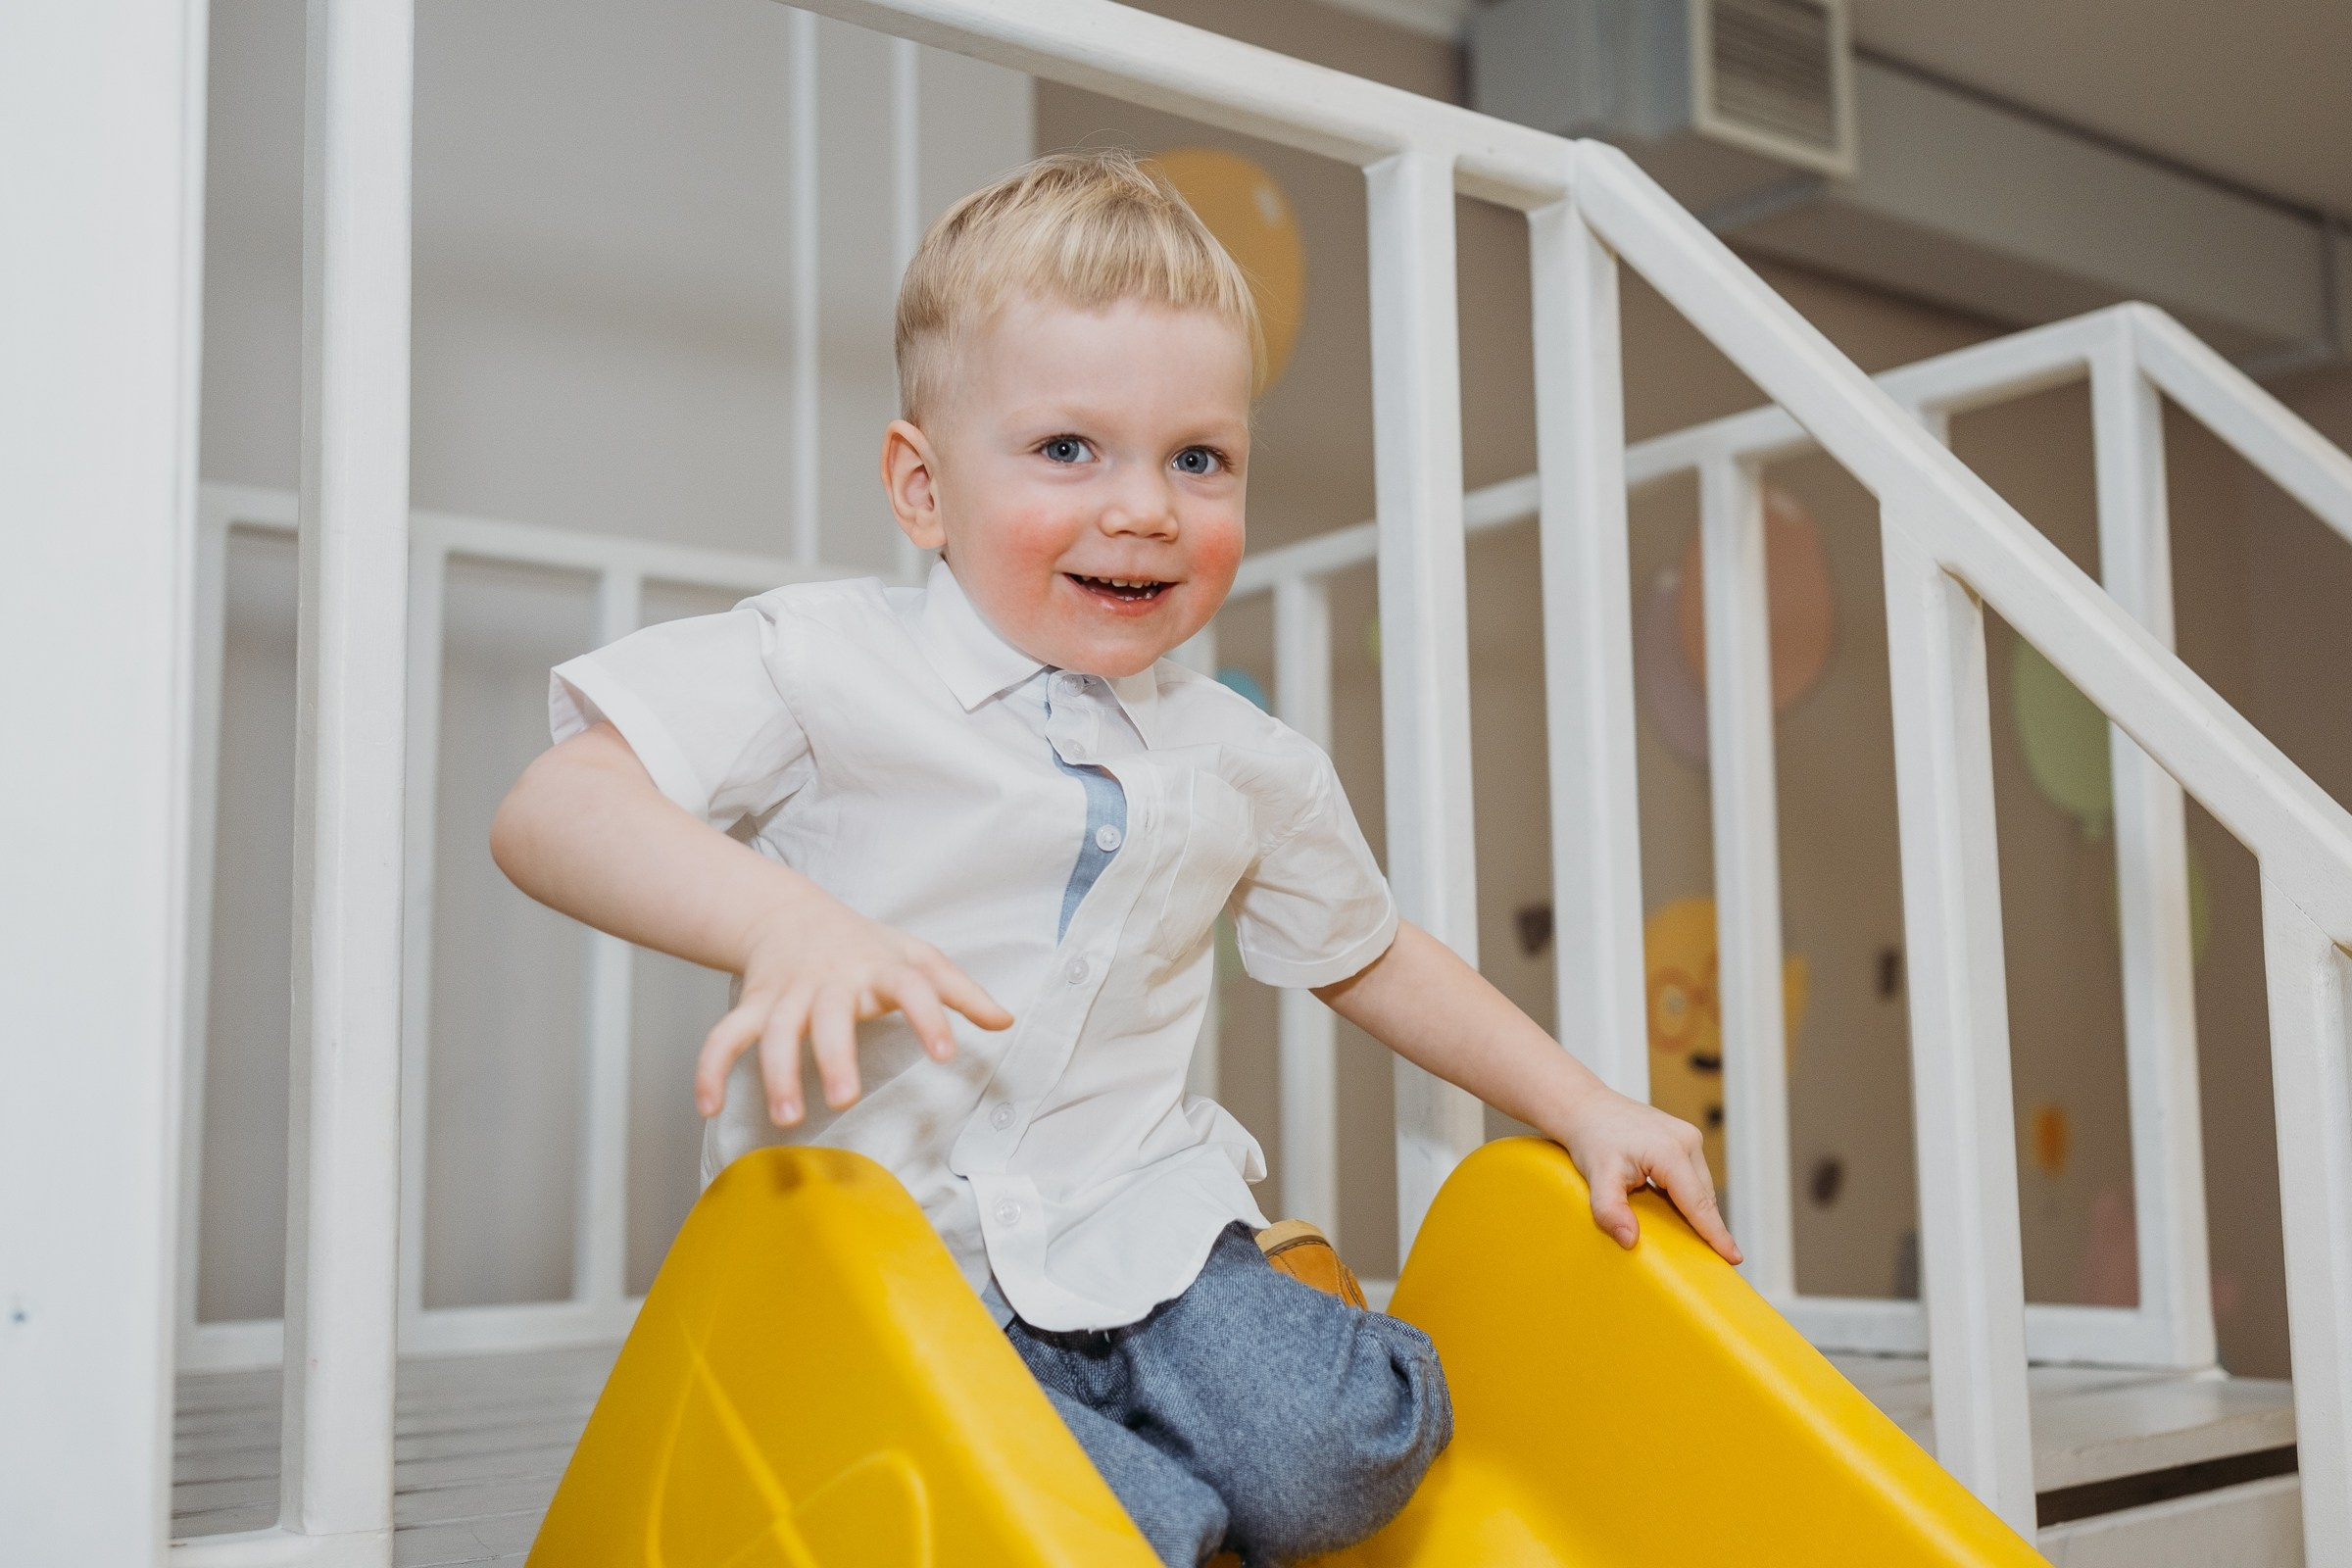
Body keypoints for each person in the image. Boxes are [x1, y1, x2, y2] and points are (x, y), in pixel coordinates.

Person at [490, 149, 1739, 1568]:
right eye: (1069, 449)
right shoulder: (826, 664)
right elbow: (553, 807)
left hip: (1144, 1230)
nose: (1145, 506)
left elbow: (1370, 952)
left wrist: (1581, 1103)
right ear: (921, 485)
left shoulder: (1242, 756)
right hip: (894, 1267)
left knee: (1358, 1459)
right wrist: (780, 922)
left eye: (1198, 459)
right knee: (1127, 1536)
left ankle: (1280, 1307)